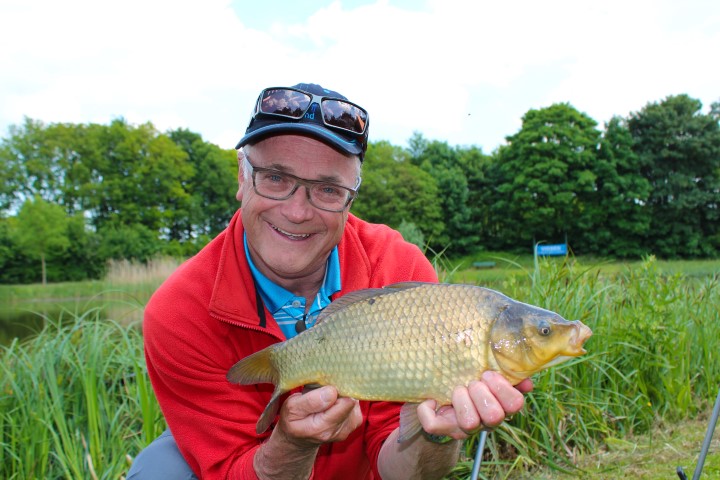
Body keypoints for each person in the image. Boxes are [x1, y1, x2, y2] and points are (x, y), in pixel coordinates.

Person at [127, 83, 532, 480]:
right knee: (159, 469)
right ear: (241, 176)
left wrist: (436, 434)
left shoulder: (400, 271)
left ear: (350, 199)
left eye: (327, 189)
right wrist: (293, 443)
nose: (298, 211)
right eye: (275, 178)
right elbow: (229, 469)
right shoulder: (179, 312)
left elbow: (399, 467)